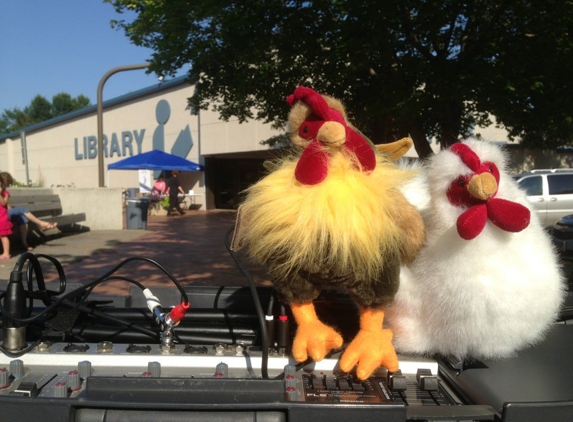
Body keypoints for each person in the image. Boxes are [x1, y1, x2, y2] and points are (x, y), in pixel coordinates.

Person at [0, 172, 13, 260]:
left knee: (3, 235)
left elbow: (4, 202)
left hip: (2, 217)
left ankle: (6, 253)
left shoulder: (5, 193)